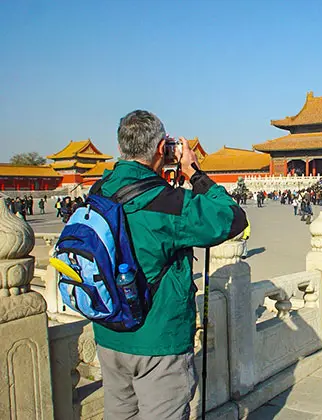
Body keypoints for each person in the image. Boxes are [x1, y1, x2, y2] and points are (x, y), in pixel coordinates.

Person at [93, 110, 247, 420]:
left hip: (108, 333)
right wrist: (194, 173)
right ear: (162, 147)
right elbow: (232, 218)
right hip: (158, 341)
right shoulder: (167, 202)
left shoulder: (99, 191)